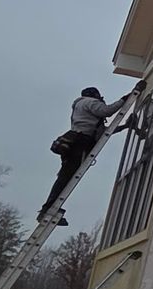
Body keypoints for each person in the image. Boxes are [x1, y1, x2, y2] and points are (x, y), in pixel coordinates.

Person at [43, 86, 118, 214]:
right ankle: (49, 208)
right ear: (95, 95)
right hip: (82, 142)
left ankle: (49, 207)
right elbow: (107, 111)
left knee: (66, 175)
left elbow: (102, 132)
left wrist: (124, 126)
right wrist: (125, 98)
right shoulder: (90, 102)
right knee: (67, 175)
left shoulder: (80, 105)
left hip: (77, 140)